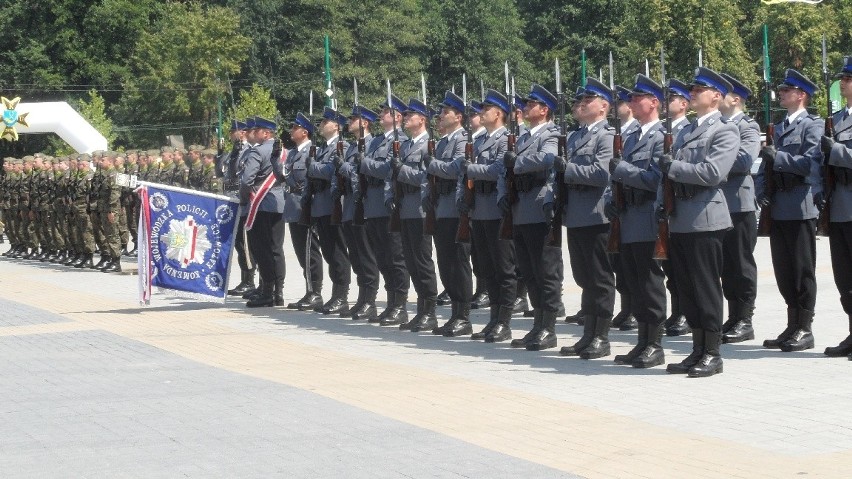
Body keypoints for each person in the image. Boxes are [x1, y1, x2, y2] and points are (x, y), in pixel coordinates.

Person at [661, 67, 739, 377]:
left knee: (705, 287)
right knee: (686, 288)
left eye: (698, 90)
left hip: (706, 217)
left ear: (716, 96)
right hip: (680, 218)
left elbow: (713, 173)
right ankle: (697, 348)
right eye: (692, 89)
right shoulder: (686, 131)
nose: (692, 93)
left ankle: (713, 352)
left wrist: (674, 167)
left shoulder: (724, 130)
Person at [760, 69, 823, 353]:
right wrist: (761, 191)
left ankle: (805, 328)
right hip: (779, 205)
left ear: (801, 95)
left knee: (801, 269)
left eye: (787, 90)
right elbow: (767, 168)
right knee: (784, 270)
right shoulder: (780, 125)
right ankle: (792, 323)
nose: (782, 94)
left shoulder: (812, 126)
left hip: (800, 204)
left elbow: (810, 164)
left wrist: (779, 157)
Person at [608, 74, 667, 368]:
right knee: (633, 282)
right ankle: (642, 341)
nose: (631, 102)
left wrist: (623, 171)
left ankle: (654, 344)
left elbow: (655, 179)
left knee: (649, 282)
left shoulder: (661, 137)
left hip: (646, 216)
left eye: (637, 97)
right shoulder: (632, 137)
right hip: (627, 217)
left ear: (653, 102)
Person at [556, 78, 616, 359]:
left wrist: (567, 170)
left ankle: (601, 336)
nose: (579, 105)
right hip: (577, 215)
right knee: (583, 277)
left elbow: (602, 173)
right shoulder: (574, 136)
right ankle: (588, 333)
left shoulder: (607, 136)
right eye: (578, 102)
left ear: (603, 106)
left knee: (599, 278)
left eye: (586, 101)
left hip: (596, 214)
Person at [499, 84, 562, 351]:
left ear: (544, 109)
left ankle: (548, 327)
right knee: (528, 271)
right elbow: (506, 169)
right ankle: (537, 324)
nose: (526, 107)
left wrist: (518, 163)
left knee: (545, 271)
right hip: (520, 209)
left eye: (531, 104)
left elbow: (548, 158)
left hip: (538, 207)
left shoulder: (551, 133)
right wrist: (503, 192)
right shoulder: (523, 137)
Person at [466, 89, 517, 342]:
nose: (481, 113)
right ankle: (493, 318)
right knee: (487, 268)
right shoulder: (479, 142)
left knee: (503, 269)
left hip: (497, 210)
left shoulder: (505, 140)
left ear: (499, 114)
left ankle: (504, 322)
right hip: (480, 209)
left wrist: (469, 169)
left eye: (486, 109)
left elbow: (497, 169)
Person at [388, 98, 438, 332]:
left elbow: (423, 177)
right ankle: (420, 309)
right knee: (410, 261)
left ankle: (429, 311)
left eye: (410, 115)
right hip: (404, 208)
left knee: (422, 261)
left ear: (422, 120)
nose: (406, 118)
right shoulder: (406, 145)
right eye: (405, 115)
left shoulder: (429, 144)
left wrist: (401, 170)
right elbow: (393, 176)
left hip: (419, 208)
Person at [360, 95, 411, 326]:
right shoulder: (377, 141)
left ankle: (400, 304)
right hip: (373, 203)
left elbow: (387, 169)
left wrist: (365, 164)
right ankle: (391, 302)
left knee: (396, 257)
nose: (380, 115)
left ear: (397, 117)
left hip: (387, 202)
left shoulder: (399, 141)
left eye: (385, 112)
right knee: (382, 257)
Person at [718, 72, 760, 344]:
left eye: (723, 93)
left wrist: (716, 162)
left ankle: (745, 318)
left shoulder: (748, 126)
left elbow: (744, 160)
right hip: (721, 204)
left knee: (741, 263)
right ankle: (733, 315)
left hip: (739, 204)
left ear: (735, 99)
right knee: (726, 265)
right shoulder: (718, 126)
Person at [426, 91, 472, 337]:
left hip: (456, 209)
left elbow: (455, 169)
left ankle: (463, 315)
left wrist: (430, 164)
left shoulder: (463, 140)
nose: (441, 116)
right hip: (441, 208)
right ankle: (455, 312)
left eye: (446, 112)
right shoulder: (443, 142)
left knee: (458, 263)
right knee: (445, 263)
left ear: (458, 116)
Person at [306, 107, 352, 314]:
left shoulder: (341, 147)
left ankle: (341, 295)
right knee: (328, 252)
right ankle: (336, 294)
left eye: (326, 122)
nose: (322, 125)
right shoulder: (324, 148)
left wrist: (312, 167)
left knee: (337, 252)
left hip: (334, 205)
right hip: (321, 205)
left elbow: (329, 171)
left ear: (336, 126)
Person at [337, 105, 381, 320]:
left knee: (366, 256)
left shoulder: (373, 144)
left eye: (354, 118)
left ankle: (370, 301)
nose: (349, 121)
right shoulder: (353, 147)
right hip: (349, 206)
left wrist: (342, 167)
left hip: (362, 204)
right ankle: (362, 298)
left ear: (365, 123)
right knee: (355, 256)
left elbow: (356, 173)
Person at [822, 56, 852, 359]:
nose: (842, 83)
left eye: (847, 79)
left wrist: (837, 150)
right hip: (840, 207)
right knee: (845, 278)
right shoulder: (840, 118)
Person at [240, 116, 287, 307]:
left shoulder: (258, 152)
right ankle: (279, 291)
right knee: (277, 248)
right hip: (279, 203)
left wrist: (244, 200)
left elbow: (246, 181)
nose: (254, 132)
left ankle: (267, 291)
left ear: (266, 133)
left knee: (261, 248)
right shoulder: (285, 151)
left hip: (260, 204)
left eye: (257, 130)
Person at [282, 113, 324, 311]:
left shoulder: (311, 151)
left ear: (304, 132)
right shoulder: (292, 153)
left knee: (309, 252)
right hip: (292, 205)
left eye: (295, 128)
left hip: (304, 205)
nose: (292, 130)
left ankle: (315, 291)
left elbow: (310, 179)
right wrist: (276, 159)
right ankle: (309, 290)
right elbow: (283, 176)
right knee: (301, 252)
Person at [662, 78, 693, 336]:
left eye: (671, 98)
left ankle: (684, 312)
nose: (666, 102)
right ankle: (677, 311)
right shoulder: (664, 130)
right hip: (666, 206)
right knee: (671, 267)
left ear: (684, 104)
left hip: (684, 203)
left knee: (684, 267)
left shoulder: (688, 130)